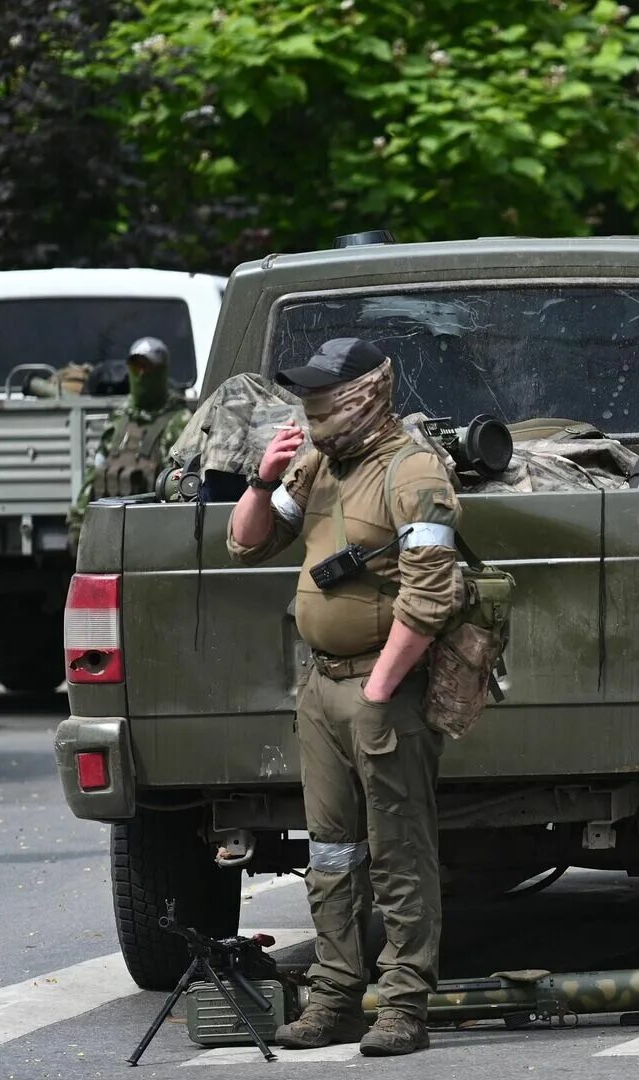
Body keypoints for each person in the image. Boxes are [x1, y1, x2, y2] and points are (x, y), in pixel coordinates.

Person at [227, 337, 463, 1056]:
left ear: (367, 391)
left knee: (399, 851)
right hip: (321, 686)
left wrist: (381, 689)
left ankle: (402, 1005)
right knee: (330, 853)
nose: (314, 403)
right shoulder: (317, 463)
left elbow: (430, 595)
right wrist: (264, 481)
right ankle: (334, 997)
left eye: (328, 389)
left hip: (380, 689)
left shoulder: (412, 470)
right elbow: (246, 544)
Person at [68, 337, 189, 543]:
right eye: (136, 366)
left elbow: (183, 487)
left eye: (148, 367)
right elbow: (94, 473)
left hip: (155, 534)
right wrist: (78, 523)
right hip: (111, 533)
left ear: (161, 372)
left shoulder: (179, 421)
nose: (141, 374)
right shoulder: (119, 420)